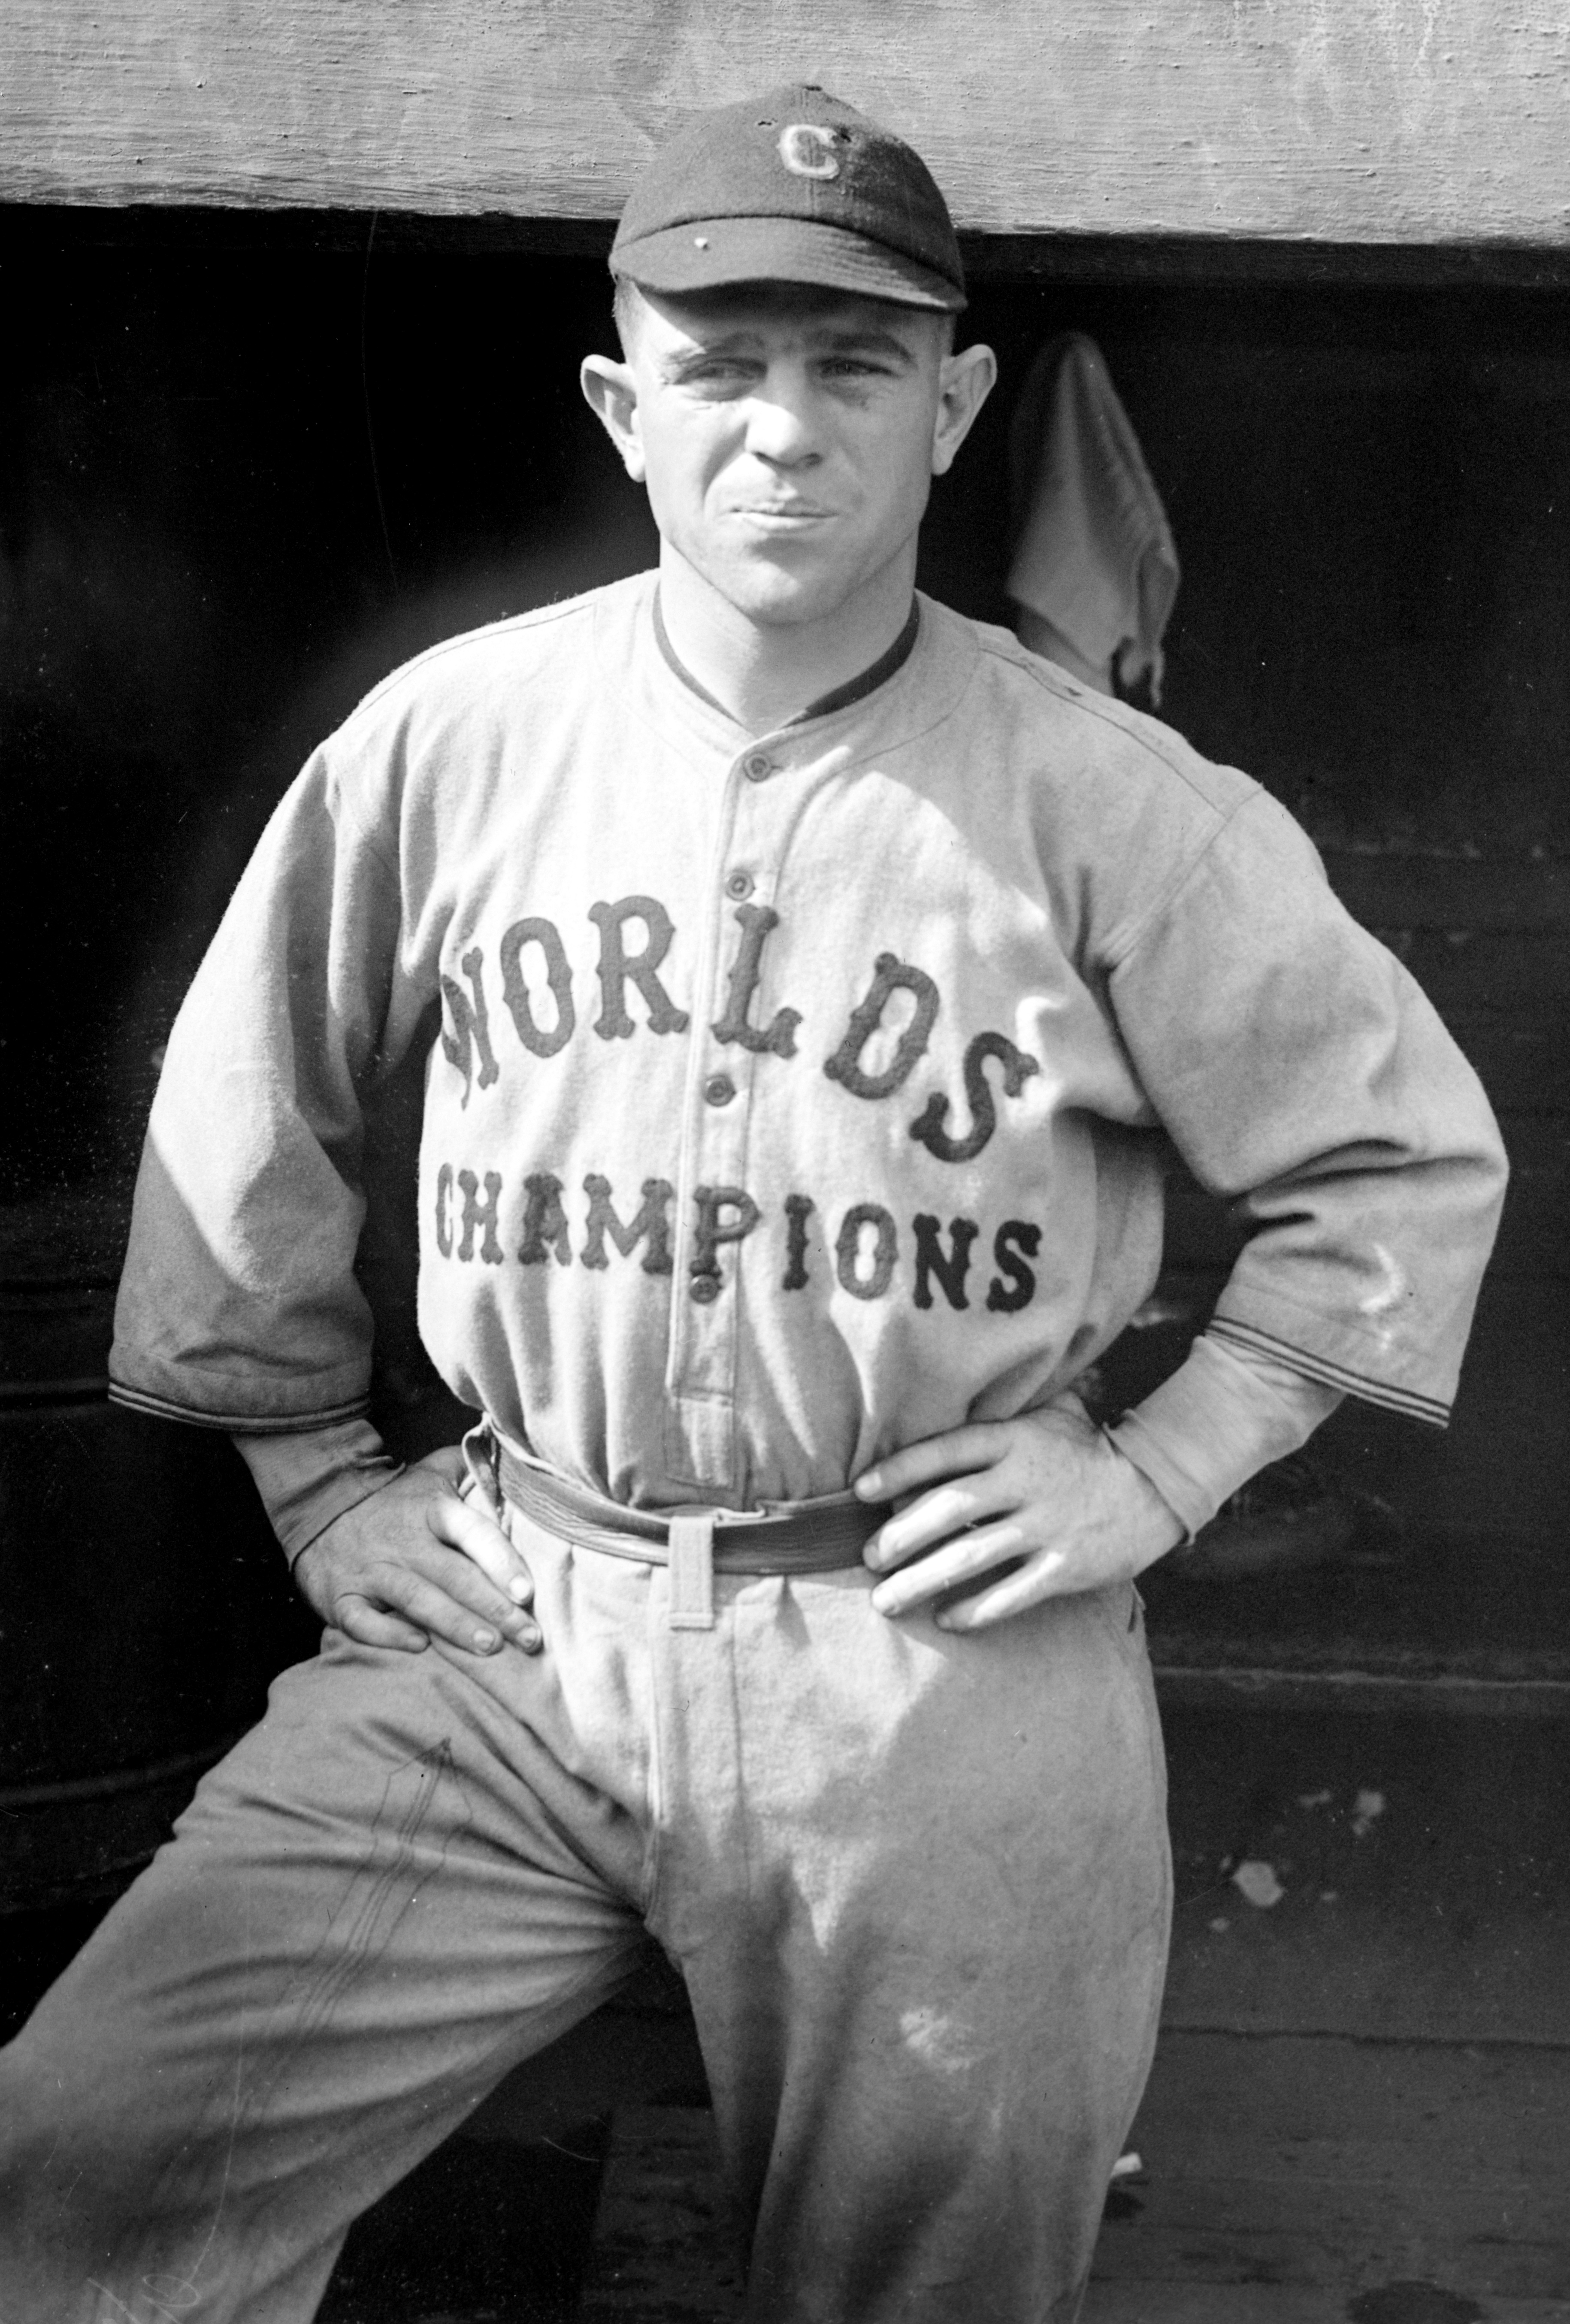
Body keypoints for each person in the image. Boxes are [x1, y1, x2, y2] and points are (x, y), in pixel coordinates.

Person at [0, 83, 1506, 2324]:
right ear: (623, 402)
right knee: (89, 2165)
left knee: (929, 2279)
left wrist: (1168, 1466)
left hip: (936, 1661)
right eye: (720, 363)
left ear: (956, 404)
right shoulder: (458, 738)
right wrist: (319, 1483)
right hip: (525, 1612)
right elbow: (252, 1101)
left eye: (853, 363)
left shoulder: (1107, 802)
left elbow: (1401, 1146)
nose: (783, 428)